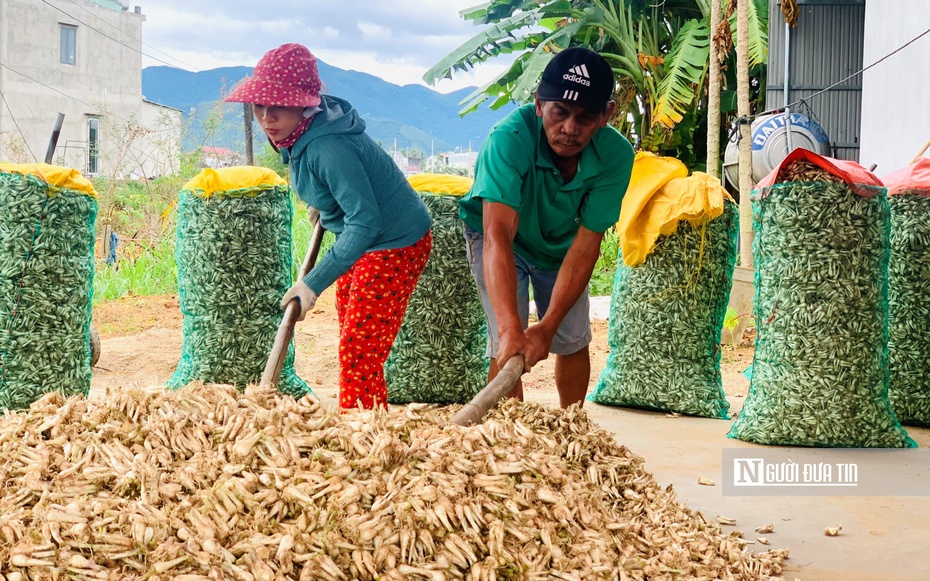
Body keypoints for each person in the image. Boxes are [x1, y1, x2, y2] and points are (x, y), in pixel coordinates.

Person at [226, 43, 432, 410]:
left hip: (393, 242)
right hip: (362, 234)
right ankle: (364, 414)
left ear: (305, 103)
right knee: (354, 336)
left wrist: (311, 284)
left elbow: (365, 221)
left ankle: (363, 432)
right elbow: (344, 192)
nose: (267, 117)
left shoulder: (328, 146)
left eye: (279, 105)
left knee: (360, 347)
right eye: (260, 105)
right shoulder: (295, 135)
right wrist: (327, 205)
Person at [459, 46, 634, 408]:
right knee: (505, 341)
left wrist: (548, 326)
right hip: (502, 241)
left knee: (571, 339)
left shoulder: (615, 156)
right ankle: (512, 436)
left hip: (562, 248)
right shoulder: (508, 139)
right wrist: (512, 330)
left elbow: (587, 243)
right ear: (539, 104)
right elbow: (496, 237)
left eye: (585, 117)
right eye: (560, 112)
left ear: (607, 115)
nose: (570, 129)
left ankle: (573, 426)